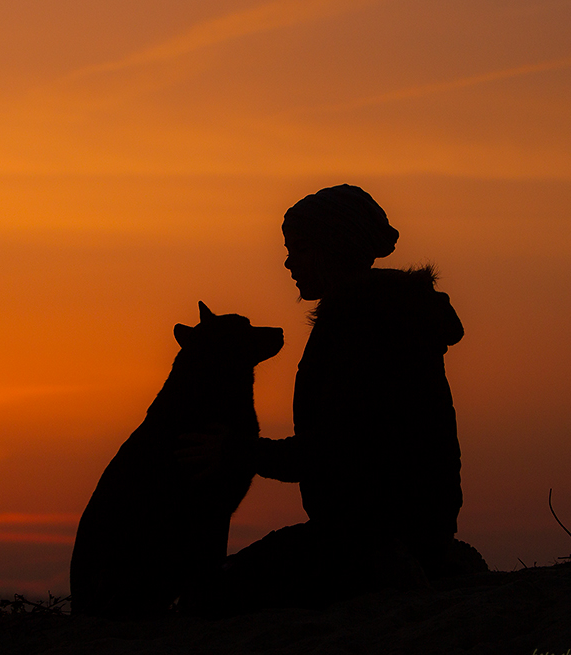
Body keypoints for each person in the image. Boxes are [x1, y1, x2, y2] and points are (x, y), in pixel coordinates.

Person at [183, 184, 478, 614]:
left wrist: (240, 453)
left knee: (207, 598)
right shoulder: (383, 316)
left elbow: (335, 452)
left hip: (371, 540)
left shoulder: (360, 329)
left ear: (335, 248)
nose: (288, 262)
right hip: (406, 532)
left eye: (300, 248)